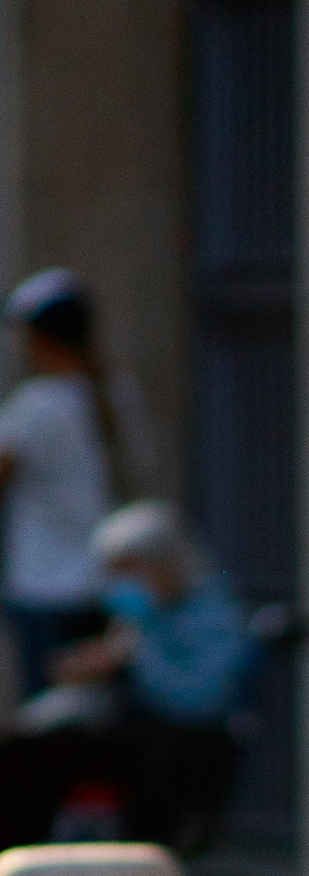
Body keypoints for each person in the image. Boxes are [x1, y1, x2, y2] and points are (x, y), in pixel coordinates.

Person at [0, 500, 252, 851]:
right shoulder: (146, 615)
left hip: (176, 749)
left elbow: (199, 698)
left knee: (43, 753)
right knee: (22, 746)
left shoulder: (209, 615)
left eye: (127, 571)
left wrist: (132, 655)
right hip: (136, 736)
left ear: (163, 565)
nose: (119, 585)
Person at [0, 269, 119, 697]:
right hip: (104, 582)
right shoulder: (116, 396)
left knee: (48, 716)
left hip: (44, 584)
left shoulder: (34, 406)